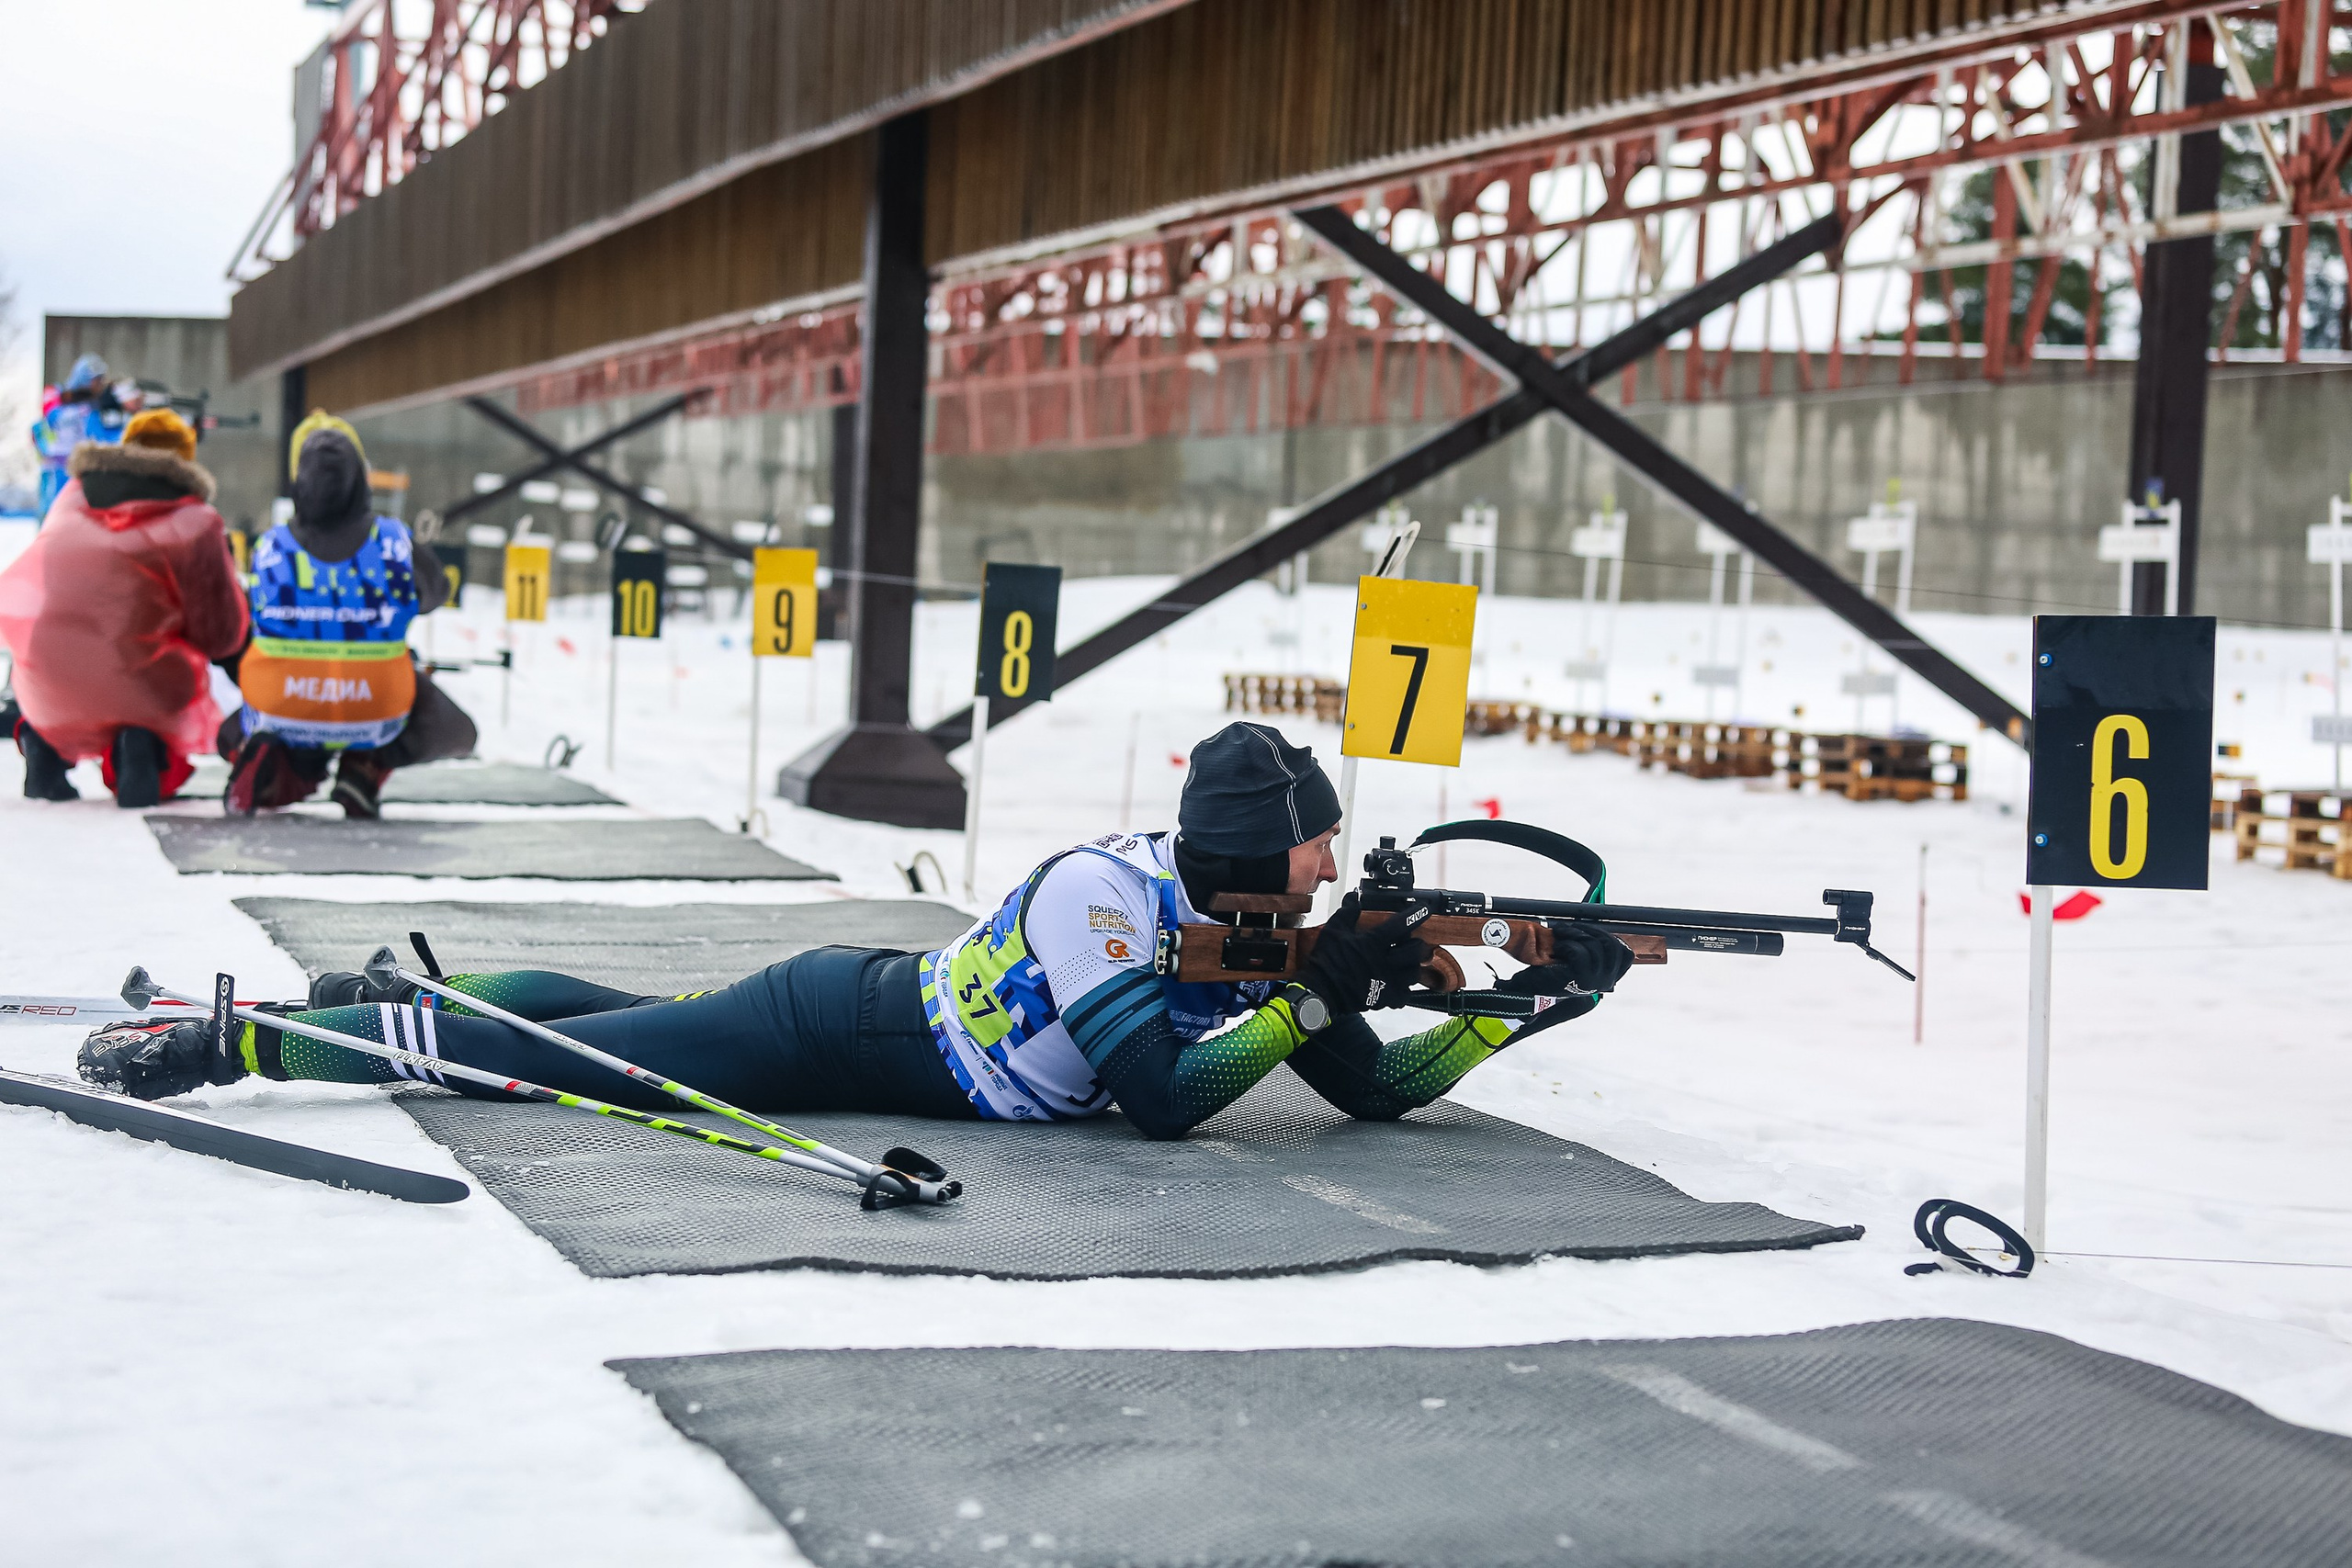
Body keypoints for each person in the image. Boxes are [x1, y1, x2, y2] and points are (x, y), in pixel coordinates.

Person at [81, 722, 1634, 1138]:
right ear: (1254, 853)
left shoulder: (1277, 929)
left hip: (889, 1031)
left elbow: (1373, 1090)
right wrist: (1316, 997)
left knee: (606, 1009)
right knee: (579, 1063)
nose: (1326, 873)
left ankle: (379, 995)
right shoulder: (1105, 894)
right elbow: (1165, 1101)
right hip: (852, 1025)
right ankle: (242, 1041)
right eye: (1312, 849)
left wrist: (1526, 1005)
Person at [217, 410, 474, 818]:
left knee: (233, 732)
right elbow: (436, 592)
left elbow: (251, 613)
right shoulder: (392, 541)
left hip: (283, 702)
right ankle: (365, 768)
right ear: (361, 480)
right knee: (454, 728)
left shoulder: (271, 545)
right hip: (375, 705)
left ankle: (280, 766)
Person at [0, 409, 249, 806]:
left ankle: (42, 741)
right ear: (184, 460)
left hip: (44, 677)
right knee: (154, 689)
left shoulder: (71, 497)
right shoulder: (196, 520)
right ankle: (142, 747)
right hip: (138, 679)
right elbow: (218, 636)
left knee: (77, 681)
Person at [29, 355, 128, 518]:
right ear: (85, 379)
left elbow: (105, 437)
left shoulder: (93, 407)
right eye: (97, 380)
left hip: (78, 472)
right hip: (58, 471)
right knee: (54, 517)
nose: (100, 385)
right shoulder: (60, 396)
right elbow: (50, 420)